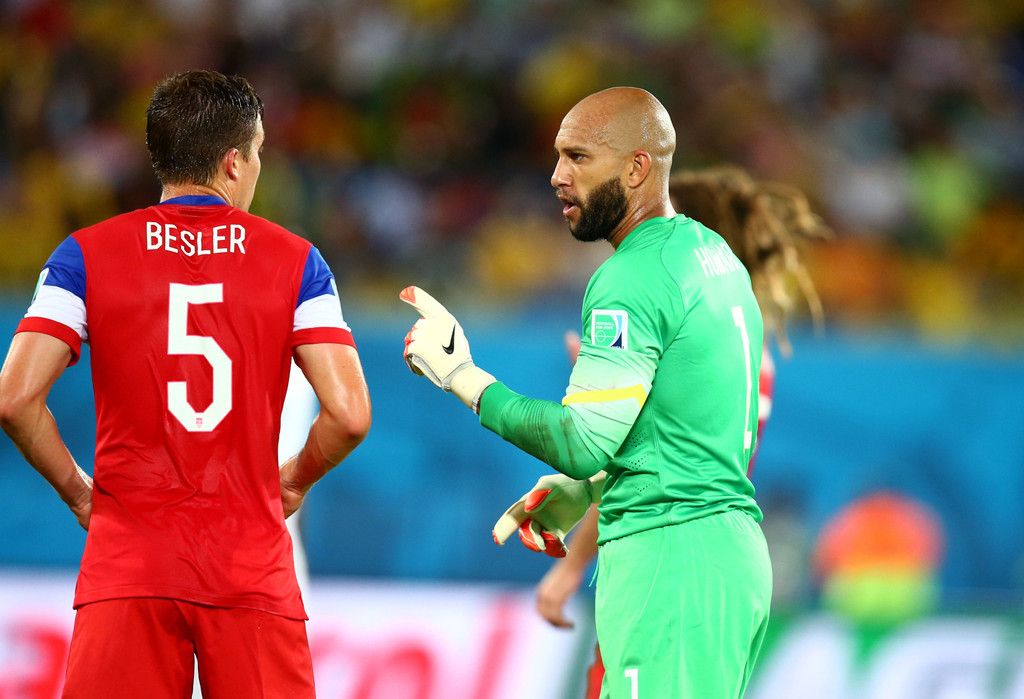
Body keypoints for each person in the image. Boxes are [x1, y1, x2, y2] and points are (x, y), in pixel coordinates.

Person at [0, 69, 371, 698]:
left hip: (129, 562)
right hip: (249, 563)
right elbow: (350, 415)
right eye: (258, 152)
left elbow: (14, 399)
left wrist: (80, 495)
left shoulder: (83, 255)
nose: (258, 168)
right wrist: (291, 481)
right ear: (233, 162)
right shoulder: (298, 262)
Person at [400, 87, 771, 698]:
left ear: (636, 167)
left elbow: (580, 443)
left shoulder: (632, 277)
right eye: (557, 156)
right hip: (722, 555)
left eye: (577, 157)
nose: (556, 176)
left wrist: (460, 374)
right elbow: (689, 428)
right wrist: (593, 488)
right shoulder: (713, 254)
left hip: (670, 562)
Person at [522, 165, 831, 698]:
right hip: (706, 565)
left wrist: (611, 398)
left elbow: (641, 469)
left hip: (668, 568)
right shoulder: (742, 343)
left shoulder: (690, 351)